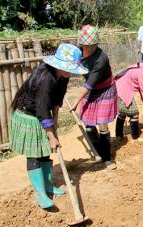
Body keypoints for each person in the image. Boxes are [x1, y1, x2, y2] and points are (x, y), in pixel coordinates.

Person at [9, 43, 88, 209]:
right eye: (70, 68)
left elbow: (57, 100)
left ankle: (48, 185)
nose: (72, 72)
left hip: (42, 115)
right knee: (35, 154)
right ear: (60, 65)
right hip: (29, 116)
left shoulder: (63, 76)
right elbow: (42, 108)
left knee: (45, 152)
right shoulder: (46, 78)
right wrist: (51, 136)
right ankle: (40, 194)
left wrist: (56, 121)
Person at [71, 25, 117, 170]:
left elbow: (88, 85)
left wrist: (76, 102)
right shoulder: (77, 52)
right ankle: (98, 152)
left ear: (96, 44)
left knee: (102, 122)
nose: (89, 48)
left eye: (92, 45)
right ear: (82, 44)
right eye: (86, 45)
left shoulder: (100, 59)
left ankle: (107, 158)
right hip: (91, 88)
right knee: (87, 120)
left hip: (105, 88)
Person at [114, 58, 143, 141]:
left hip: (119, 88)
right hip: (123, 91)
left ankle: (118, 135)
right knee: (134, 114)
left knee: (122, 114)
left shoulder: (141, 65)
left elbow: (142, 90)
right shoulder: (142, 72)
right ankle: (135, 137)